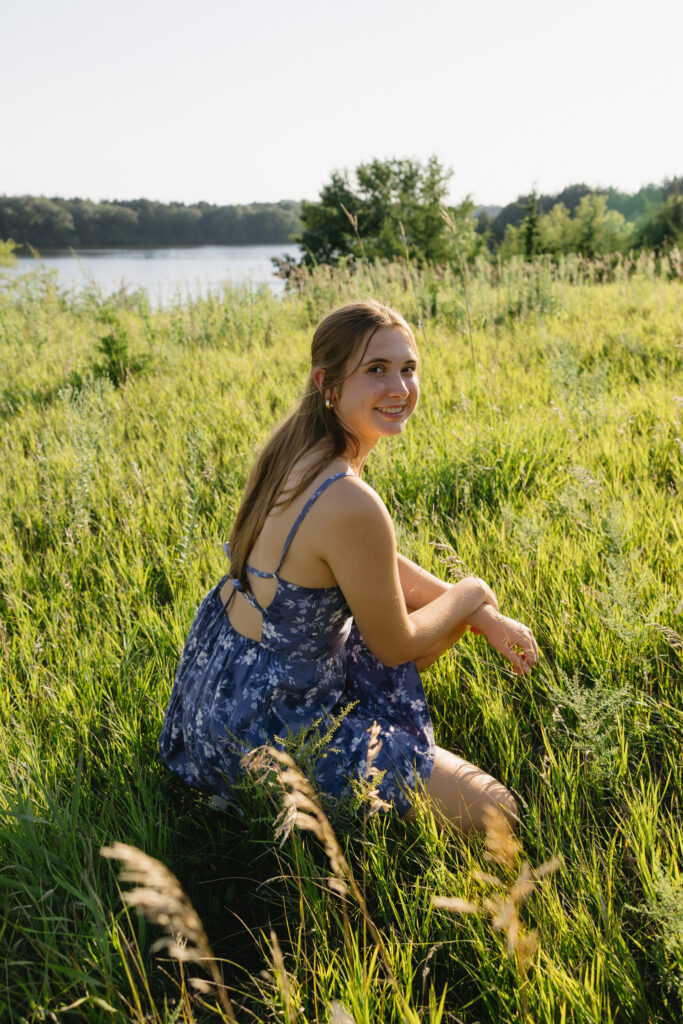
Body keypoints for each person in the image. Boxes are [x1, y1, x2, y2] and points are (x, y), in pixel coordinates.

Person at [159, 301, 539, 832]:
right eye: (376, 370)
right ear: (328, 383)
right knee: (500, 812)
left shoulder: (291, 449)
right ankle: (266, 799)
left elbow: (374, 564)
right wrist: (472, 593)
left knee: (411, 621)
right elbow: (397, 644)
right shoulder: (350, 502)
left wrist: (472, 612)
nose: (400, 388)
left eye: (408, 369)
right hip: (269, 730)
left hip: (218, 692)